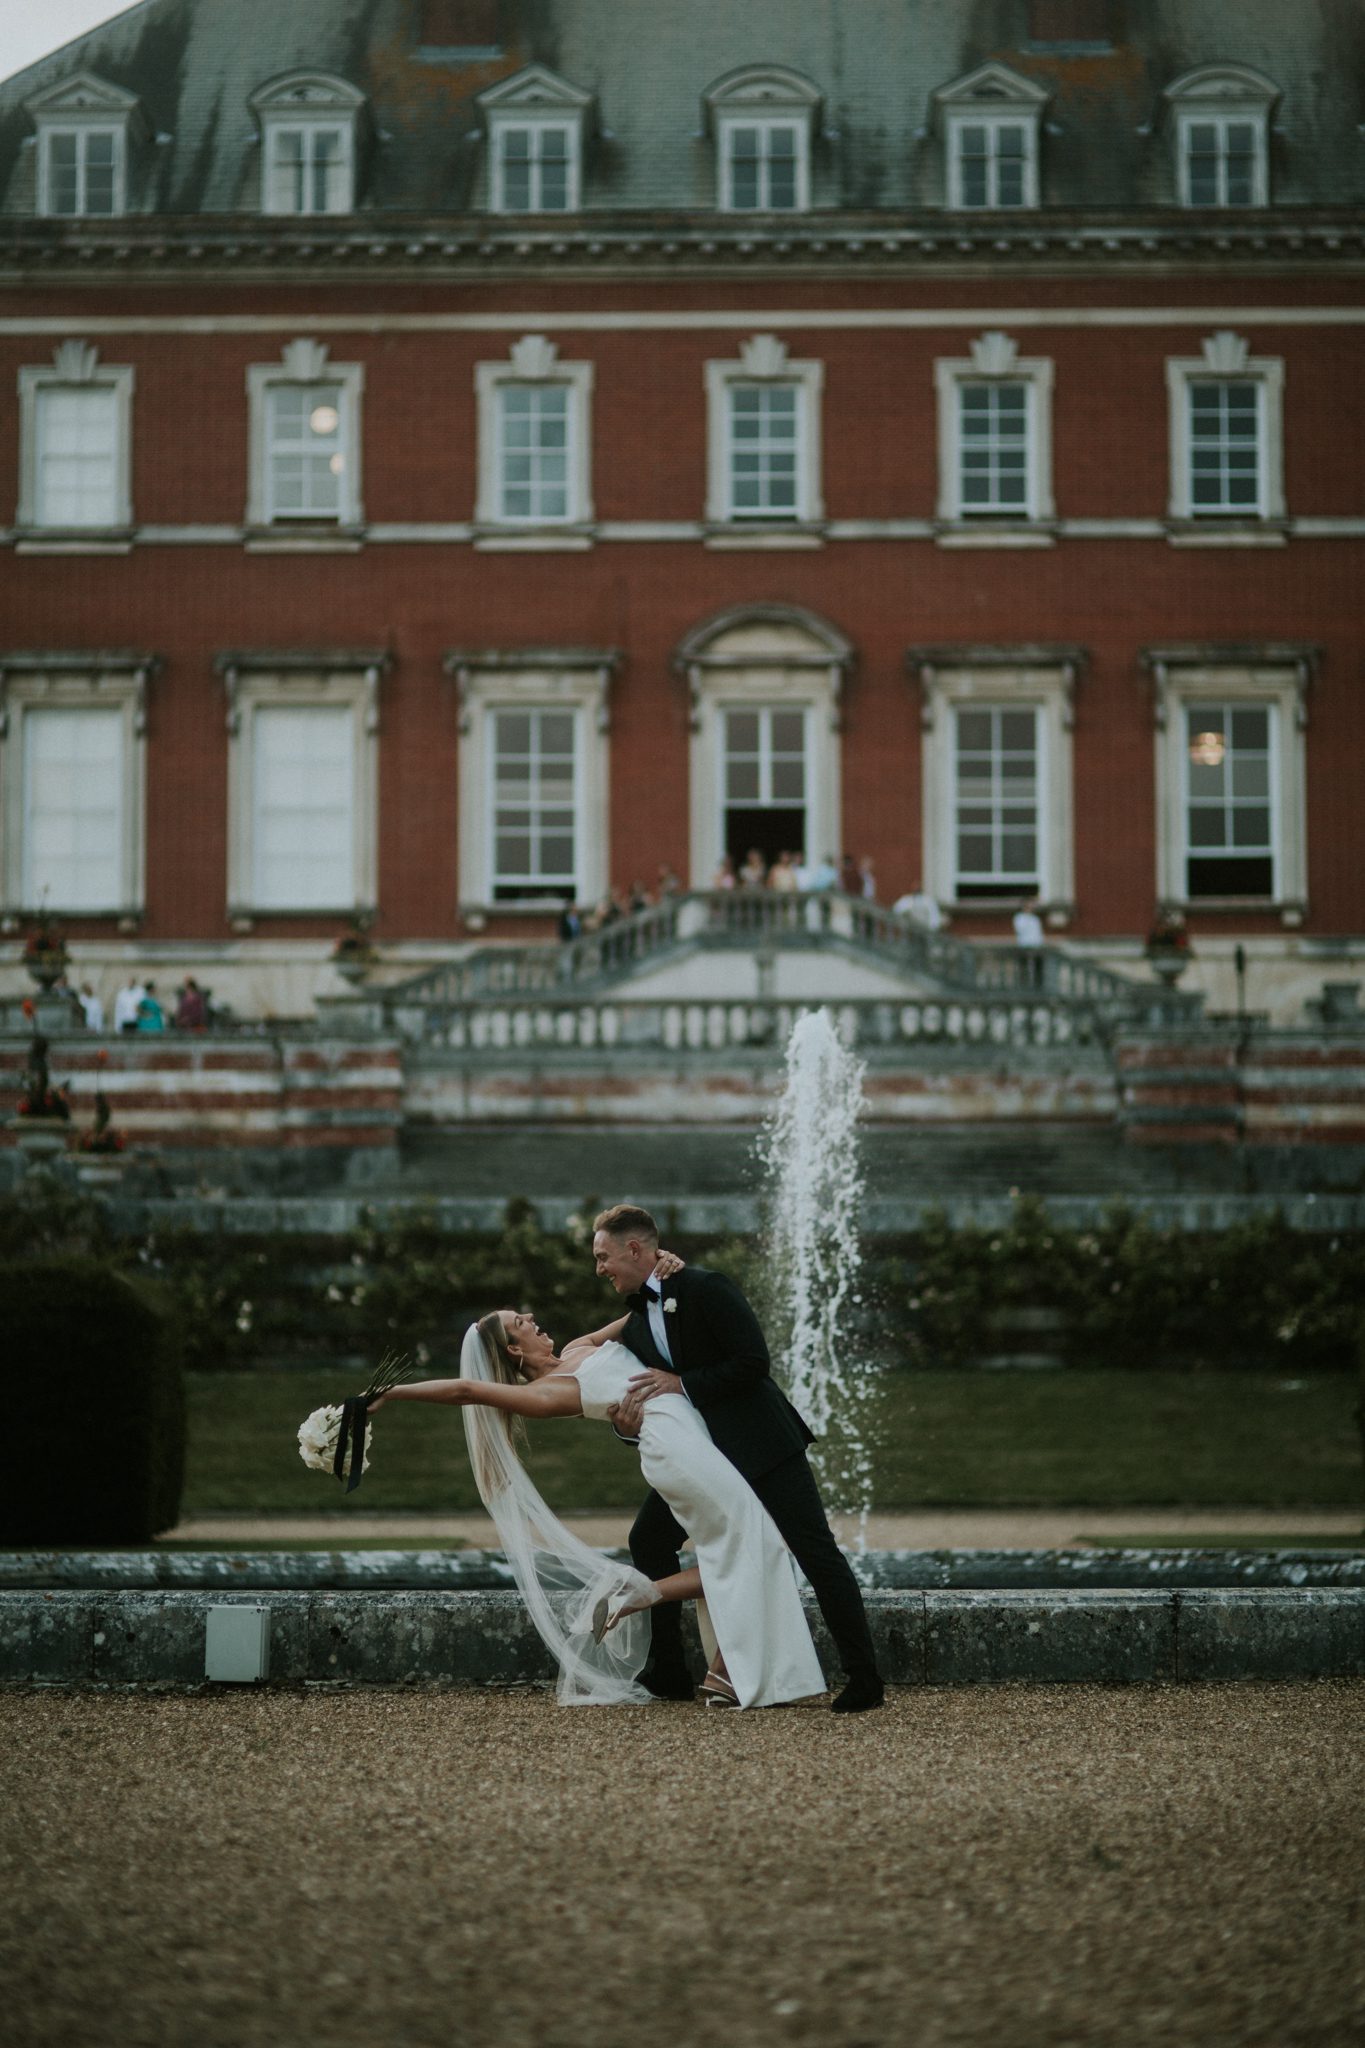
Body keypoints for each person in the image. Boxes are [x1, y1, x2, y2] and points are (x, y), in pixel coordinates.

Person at [370, 1286, 825, 1713]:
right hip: (675, 1450)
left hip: (691, 1437)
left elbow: (640, 1315)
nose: (530, 1317)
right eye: (519, 1322)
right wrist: (391, 1393)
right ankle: (657, 1612)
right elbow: (465, 1391)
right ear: (512, 1349)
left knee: (748, 1546)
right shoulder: (545, 1393)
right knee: (759, 1540)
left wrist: (668, 1272)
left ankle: (715, 1666)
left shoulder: (577, 1349)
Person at [592, 1204, 885, 1714]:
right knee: (648, 1539)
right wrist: (625, 1427)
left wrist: (682, 1382)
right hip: (705, 1462)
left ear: (634, 1249)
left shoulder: (706, 1286)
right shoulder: (634, 1324)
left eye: (603, 1257)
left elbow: (752, 1363)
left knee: (815, 1553)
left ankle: (865, 1680)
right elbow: (628, 1389)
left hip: (762, 1445)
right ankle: (668, 1671)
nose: (599, 1268)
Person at [1013, 896, 1045, 987]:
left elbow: (1038, 933)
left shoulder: (1035, 919)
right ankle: (1023, 986)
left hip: (1036, 946)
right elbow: (1020, 930)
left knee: (1038, 967)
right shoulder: (1019, 918)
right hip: (1024, 945)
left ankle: (1038, 986)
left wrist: (1040, 944)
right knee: (1024, 967)